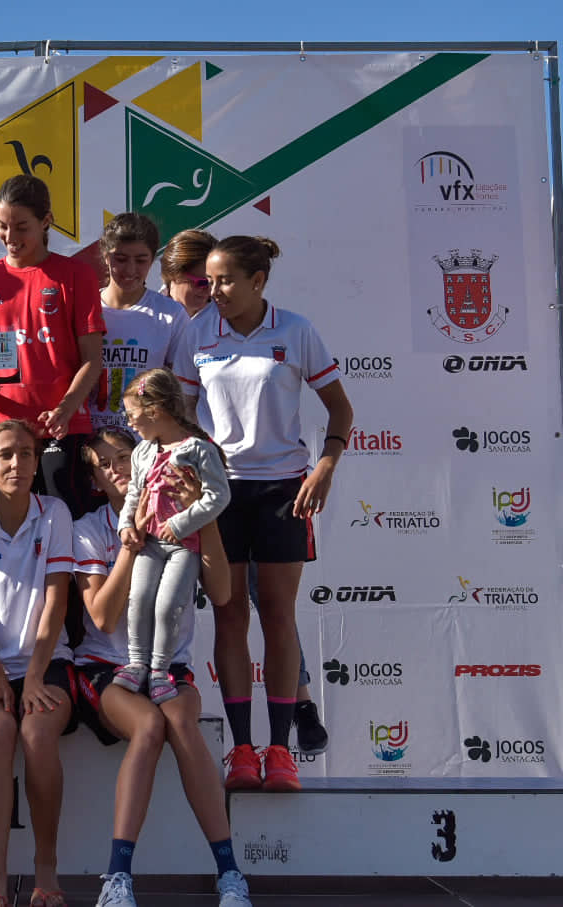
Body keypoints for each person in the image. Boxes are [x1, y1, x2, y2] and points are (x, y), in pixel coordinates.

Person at [173, 236, 353, 791]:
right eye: (209, 281)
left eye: (226, 280)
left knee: (277, 614)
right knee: (229, 616)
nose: (215, 291)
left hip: (283, 490)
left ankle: (280, 751)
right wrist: (190, 462)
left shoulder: (295, 330)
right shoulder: (198, 332)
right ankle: (242, 751)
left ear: (258, 281)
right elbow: (182, 410)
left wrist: (325, 467)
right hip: (219, 491)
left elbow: (340, 408)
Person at [73, 430, 251, 907]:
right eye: (104, 464)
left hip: (169, 668)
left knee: (179, 721)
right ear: (94, 480)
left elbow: (222, 594)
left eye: (123, 457)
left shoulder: (185, 516)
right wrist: (131, 543)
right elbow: (102, 617)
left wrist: (202, 516)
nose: (117, 468)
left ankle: (231, 875)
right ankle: (117, 879)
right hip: (106, 667)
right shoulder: (89, 528)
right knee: (150, 725)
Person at [0, 420, 76, 907]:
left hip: (47, 663)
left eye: (26, 453)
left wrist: (36, 676)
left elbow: (56, 603)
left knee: (37, 734)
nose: (17, 464)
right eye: (5, 454)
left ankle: (46, 873)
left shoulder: (55, 513)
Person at [0, 175, 105, 516]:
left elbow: (92, 359)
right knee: (6, 532)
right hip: (2, 430)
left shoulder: (76, 275)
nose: (10, 237)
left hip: (61, 429)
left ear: (46, 221)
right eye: (2, 226)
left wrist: (66, 409)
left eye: (21, 227)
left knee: (65, 528)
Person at [115, 369, 228, 703]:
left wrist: (180, 524)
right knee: (139, 599)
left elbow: (218, 497)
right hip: (150, 544)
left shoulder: (199, 450)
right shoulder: (142, 452)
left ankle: (160, 671)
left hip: (184, 548)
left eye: (132, 415)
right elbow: (134, 495)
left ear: (154, 411)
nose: (129, 423)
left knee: (167, 606)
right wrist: (126, 525)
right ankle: (136, 664)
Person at [92, 214, 188, 432]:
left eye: (141, 260)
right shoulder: (85, 308)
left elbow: (181, 387)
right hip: (89, 440)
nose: (130, 270)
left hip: (145, 439)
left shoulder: (171, 314)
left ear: (152, 260)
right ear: (106, 257)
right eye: (121, 259)